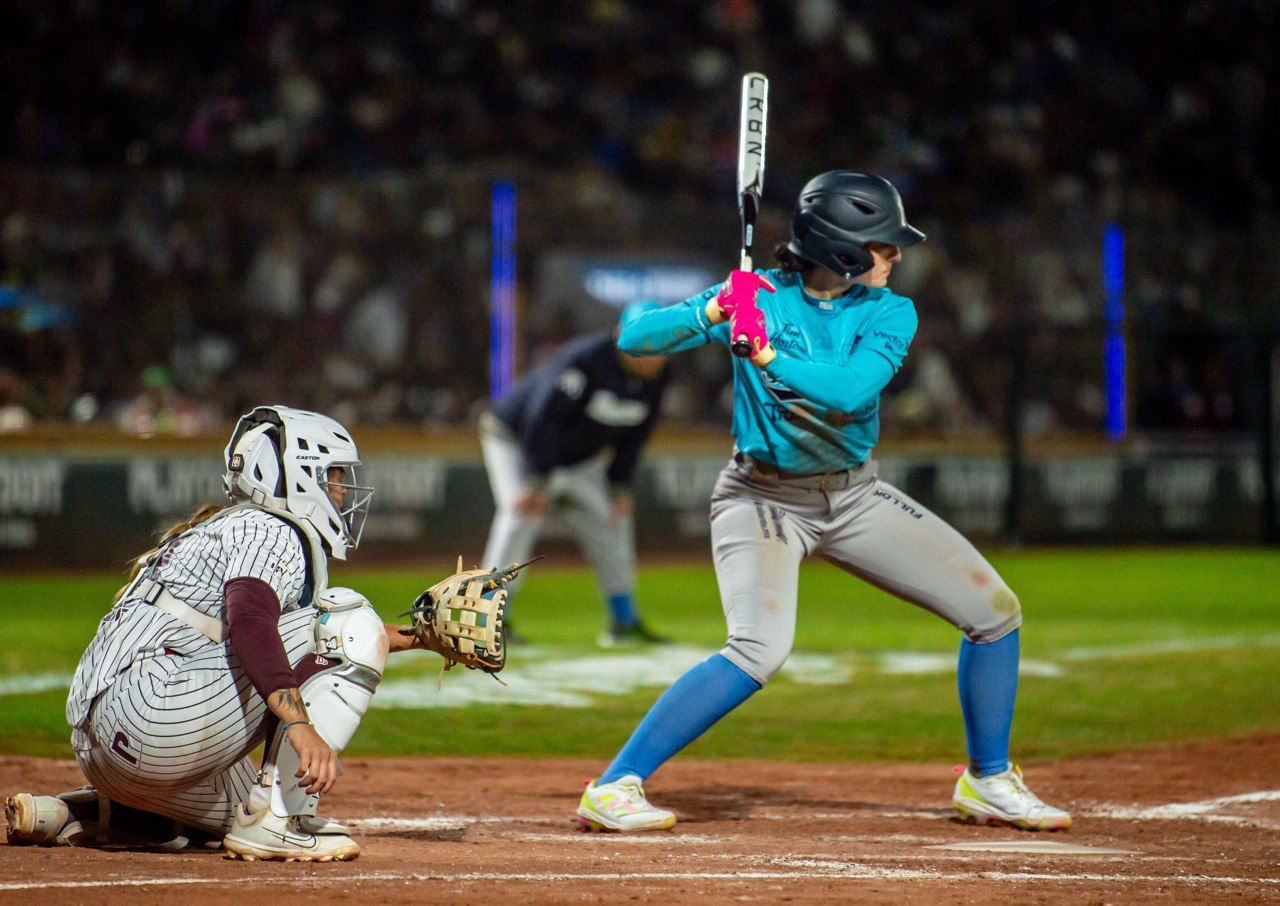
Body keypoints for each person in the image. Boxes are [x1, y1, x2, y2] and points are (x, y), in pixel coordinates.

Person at [575, 171, 1071, 832]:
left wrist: (769, 354)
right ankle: (614, 787)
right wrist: (714, 311)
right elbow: (632, 336)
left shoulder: (890, 311)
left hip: (855, 496)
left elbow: (849, 391)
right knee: (759, 648)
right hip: (762, 499)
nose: (895, 257)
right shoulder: (758, 297)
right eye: (883, 245)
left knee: (994, 612)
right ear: (841, 247)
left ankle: (987, 781)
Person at [4, 405, 436, 861]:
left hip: (107, 746)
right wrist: (300, 724)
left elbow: (289, 628)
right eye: (332, 474)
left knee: (238, 810)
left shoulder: (238, 526)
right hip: (151, 714)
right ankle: (278, 822)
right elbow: (255, 620)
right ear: (295, 475)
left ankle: (76, 813)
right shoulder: (272, 529)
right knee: (349, 616)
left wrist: (422, 636)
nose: (343, 491)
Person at [479, 302, 671, 646]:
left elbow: (635, 435)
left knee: (614, 521)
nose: (652, 355)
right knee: (519, 515)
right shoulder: (584, 360)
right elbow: (542, 418)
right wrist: (535, 482)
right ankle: (488, 620)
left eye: (661, 346)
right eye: (644, 344)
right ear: (621, 338)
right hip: (517, 442)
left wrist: (619, 486)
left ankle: (624, 621)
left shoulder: (658, 376)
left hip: (580, 459)